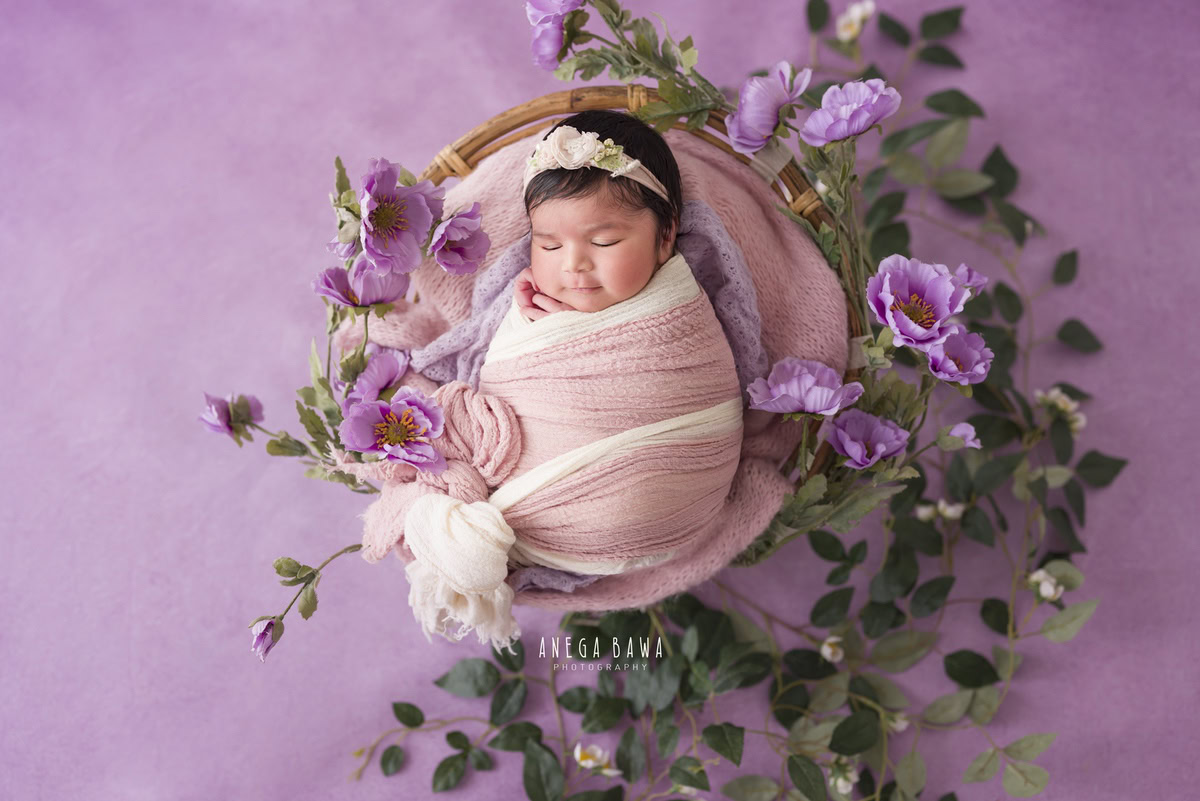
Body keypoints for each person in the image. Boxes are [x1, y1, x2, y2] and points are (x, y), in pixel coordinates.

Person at [512, 109, 684, 321]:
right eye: (550, 246)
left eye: (604, 242)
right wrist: (521, 317)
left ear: (665, 235)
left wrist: (572, 331)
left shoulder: (677, 310)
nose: (573, 265)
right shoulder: (528, 299)